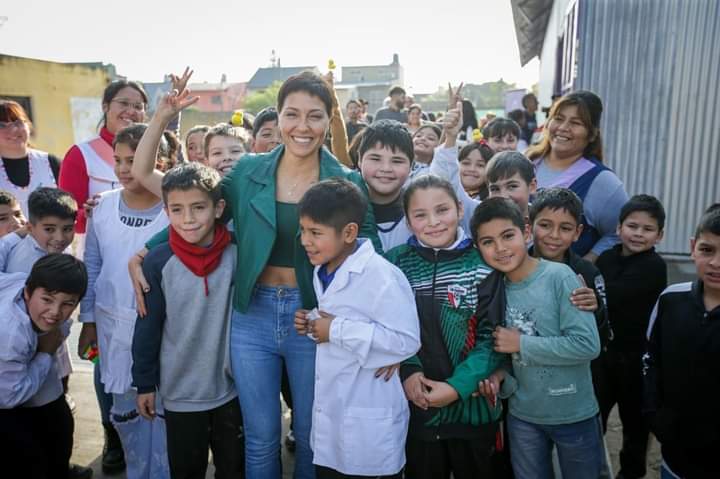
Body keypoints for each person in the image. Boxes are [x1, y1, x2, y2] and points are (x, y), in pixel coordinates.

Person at [129, 70, 381, 479]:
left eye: (315, 116)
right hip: (251, 316)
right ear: (278, 117)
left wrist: (376, 333)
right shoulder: (248, 171)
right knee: (261, 438)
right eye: (292, 114)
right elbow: (181, 198)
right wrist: (146, 249)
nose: (302, 127)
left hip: (312, 319)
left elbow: (373, 259)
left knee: (311, 433)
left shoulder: (347, 182)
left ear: (329, 119)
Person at [294, 179, 420, 478]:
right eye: (303, 230)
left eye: (315, 233)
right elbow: (344, 314)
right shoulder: (321, 269)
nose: (304, 241)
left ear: (349, 232)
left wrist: (334, 330)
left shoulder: (383, 277)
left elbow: (405, 340)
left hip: (368, 420)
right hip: (334, 419)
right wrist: (313, 321)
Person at [472, 197, 602, 479]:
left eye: (508, 236)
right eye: (488, 242)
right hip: (523, 416)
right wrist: (499, 378)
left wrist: (522, 344)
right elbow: (508, 356)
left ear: (526, 232)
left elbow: (587, 345)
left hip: (574, 414)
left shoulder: (559, 276)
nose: (501, 248)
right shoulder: (493, 290)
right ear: (477, 248)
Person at [386, 175, 506, 479]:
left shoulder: (483, 264)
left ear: (459, 210)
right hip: (419, 408)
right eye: (420, 215)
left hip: (474, 410)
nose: (434, 222)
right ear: (408, 221)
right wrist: (409, 371)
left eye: (442, 210)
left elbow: (492, 337)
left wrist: (456, 388)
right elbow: (390, 326)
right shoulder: (396, 264)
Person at [131, 163, 243, 479]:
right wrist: (144, 383)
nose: (188, 219)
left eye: (198, 207)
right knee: (186, 469)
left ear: (219, 207)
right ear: (166, 211)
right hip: (180, 392)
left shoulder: (237, 251)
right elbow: (147, 328)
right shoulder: (157, 261)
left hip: (230, 390)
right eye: (177, 210)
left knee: (234, 468)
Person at [77, 124, 170, 479]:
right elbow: (93, 264)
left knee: (160, 416)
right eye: (118, 160)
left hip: (161, 332)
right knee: (127, 415)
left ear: (156, 160)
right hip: (113, 328)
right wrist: (88, 321)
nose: (124, 168)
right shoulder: (102, 207)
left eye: (134, 160)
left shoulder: (175, 210)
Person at [643, 205, 720, 479]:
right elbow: (651, 360)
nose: (716, 263)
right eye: (708, 250)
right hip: (675, 458)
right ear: (693, 246)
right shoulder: (670, 300)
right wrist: (655, 414)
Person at [595, 194, 667, 479]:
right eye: (632, 226)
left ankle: (631, 473)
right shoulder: (607, 258)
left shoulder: (655, 266)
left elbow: (610, 295)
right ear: (618, 228)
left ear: (660, 235)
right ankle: (591, 467)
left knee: (635, 426)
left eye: (647, 229)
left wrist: (594, 294)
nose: (638, 234)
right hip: (603, 355)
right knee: (593, 417)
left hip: (637, 360)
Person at [0, 254, 90, 479]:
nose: (55, 312)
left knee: (60, 424)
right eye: (48, 300)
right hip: (7, 396)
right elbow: (9, 397)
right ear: (28, 292)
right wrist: (45, 353)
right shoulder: (12, 334)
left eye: (68, 303)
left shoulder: (21, 281)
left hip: (26, 379)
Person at [526, 90, 629, 261]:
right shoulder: (525, 161)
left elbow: (618, 233)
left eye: (575, 123)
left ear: (592, 134)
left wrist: (586, 263)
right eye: (558, 119)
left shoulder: (602, 181)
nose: (563, 128)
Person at [59, 79, 148, 239]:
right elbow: (65, 216)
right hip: (99, 251)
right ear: (105, 106)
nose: (131, 111)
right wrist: (87, 214)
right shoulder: (81, 154)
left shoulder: (154, 151)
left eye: (138, 106)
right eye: (124, 103)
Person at [0, 100, 61, 216]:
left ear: (28, 125)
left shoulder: (50, 162)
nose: (13, 130)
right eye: (2, 125)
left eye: (18, 122)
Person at [486, 151, 537, 222]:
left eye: (512, 186)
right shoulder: (483, 224)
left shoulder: (543, 221)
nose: (503, 196)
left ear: (532, 186)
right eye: (495, 189)